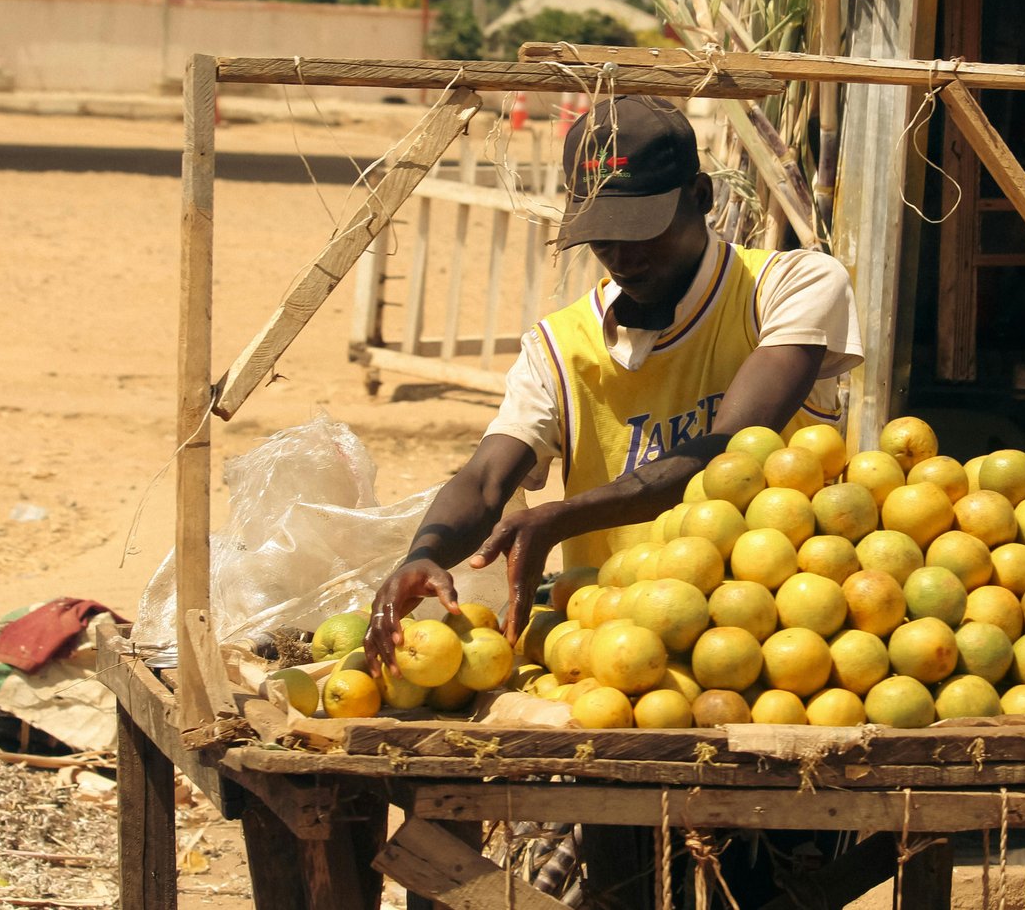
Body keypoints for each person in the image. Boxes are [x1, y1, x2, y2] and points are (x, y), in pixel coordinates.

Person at [365, 94, 860, 666]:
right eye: (602, 236)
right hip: (613, 649)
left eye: (641, 230)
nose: (621, 257)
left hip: (784, 638)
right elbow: (483, 482)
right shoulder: (556, 348)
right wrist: (421, 555)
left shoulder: (790, 289)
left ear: (700, 197)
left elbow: (728, 453)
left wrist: (560, 518)